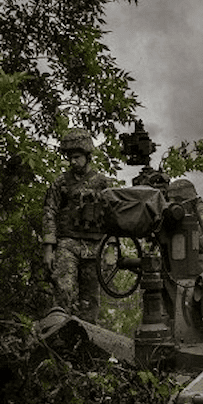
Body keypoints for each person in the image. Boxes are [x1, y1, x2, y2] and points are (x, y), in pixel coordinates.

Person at [42, 128, 113, 323]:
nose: (72, 161)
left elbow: (114, 219)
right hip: (68, 244)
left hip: (94, 247)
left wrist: (111, 250)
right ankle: (58, 340)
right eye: (70, 158)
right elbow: (49, 212)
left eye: (77, 157)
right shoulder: (61, 182)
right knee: (63, 292)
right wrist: (48, 249)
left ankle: (87, 347)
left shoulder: (103, 183)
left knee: (90, 302)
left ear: (87, 156)